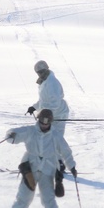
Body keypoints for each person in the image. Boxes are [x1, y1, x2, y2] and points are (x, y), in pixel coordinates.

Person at [5, 108, 77, 208]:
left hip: (47, 169)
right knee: (24, 195)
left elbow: (65, 151)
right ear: (38, 120)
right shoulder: (30, 131)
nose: (44, 125)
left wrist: (71, 166)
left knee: (48, 197)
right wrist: (11, 135)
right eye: (42, 122)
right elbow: (14, 135)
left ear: (50, 122)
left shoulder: (55, 135)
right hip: (30, 168)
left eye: (47, 122)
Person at [26, 60, 71, 196]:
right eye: (38, 72)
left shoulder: (52, 83)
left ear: (46, 69)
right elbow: (44, 101)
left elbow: (54, 104)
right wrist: (34, 107)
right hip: (50, 115)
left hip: (58, 115)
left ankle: (59, 166)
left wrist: (45, 115)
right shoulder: (44, 82)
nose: (40, 74)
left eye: (42, 71)